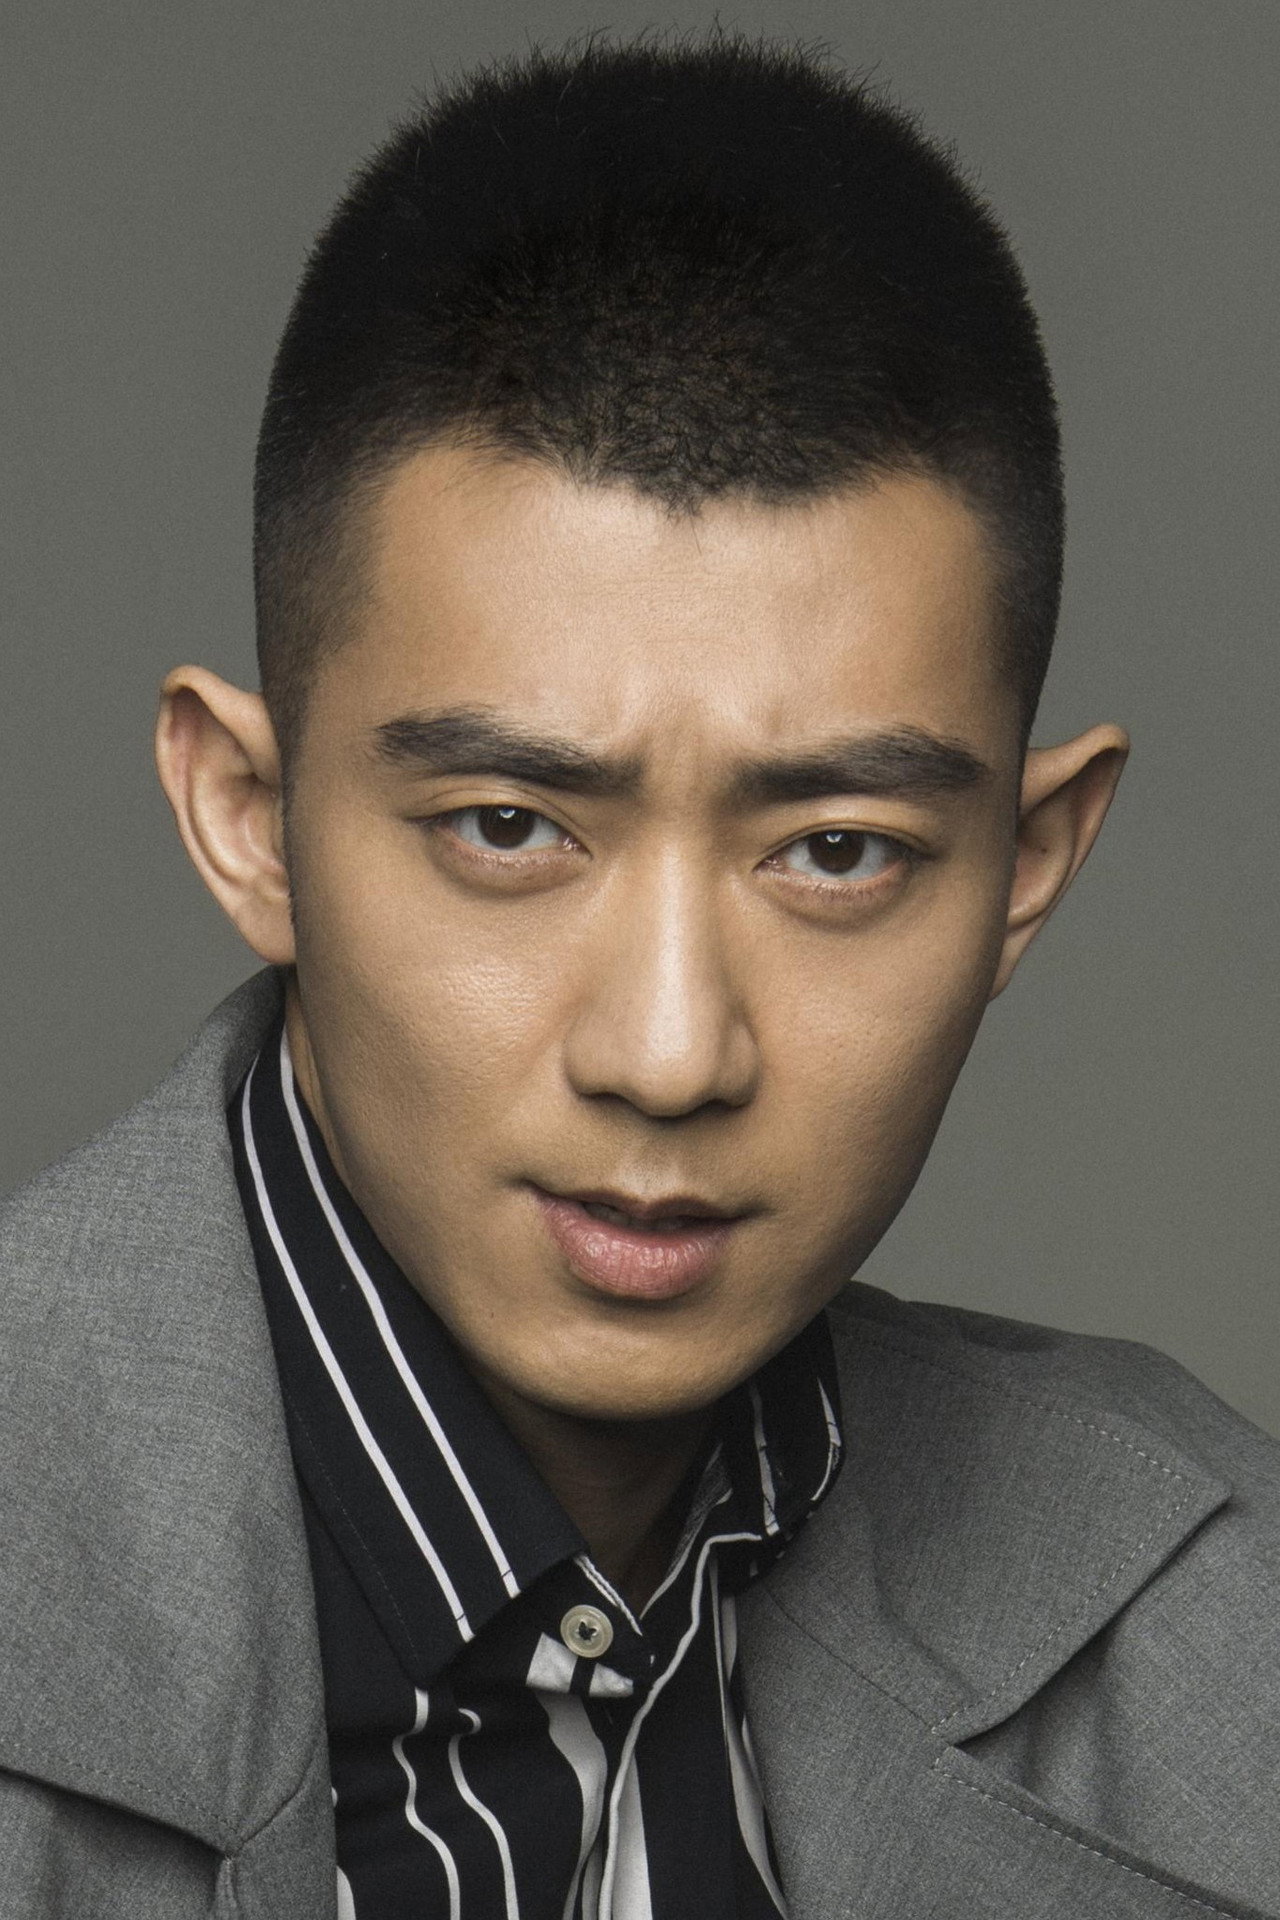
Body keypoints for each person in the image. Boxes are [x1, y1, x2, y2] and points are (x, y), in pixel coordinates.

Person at [1, 32, 1276, 1920]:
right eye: (510, 827)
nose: (670, 1053)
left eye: (835, 851)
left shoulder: (1212, 1626)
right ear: (250, 820)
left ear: (1027, 869)